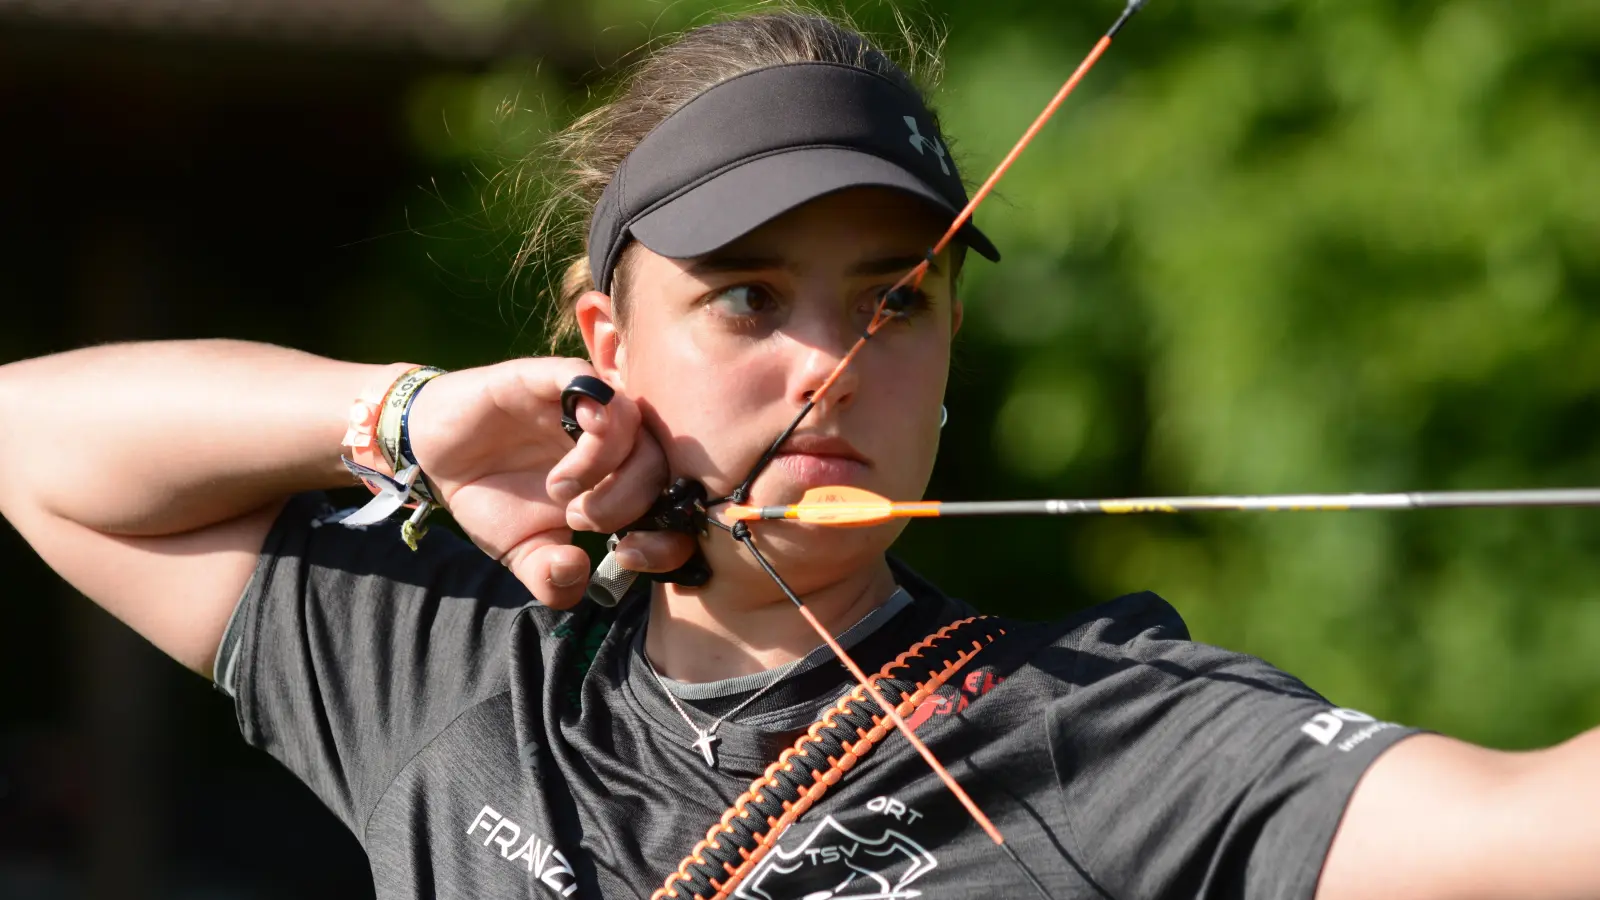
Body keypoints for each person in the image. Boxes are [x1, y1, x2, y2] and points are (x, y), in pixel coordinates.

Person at [2, 8, 1597, 900]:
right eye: (746, 298)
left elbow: (1539, 835)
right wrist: (408, 418)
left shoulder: (1111, 734)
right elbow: (35, 441)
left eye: (896, 308)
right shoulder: (469, 657)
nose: (829, 364)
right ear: (603, 344)